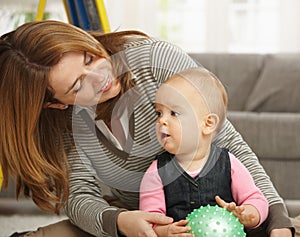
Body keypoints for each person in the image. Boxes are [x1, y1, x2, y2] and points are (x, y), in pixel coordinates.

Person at [0, 20, 294, 237]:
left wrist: (278, 218)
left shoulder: (154, 61)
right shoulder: (65, 124)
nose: (100, 75)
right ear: (56, 104)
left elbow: (231, 145)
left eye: (90, 57)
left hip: (223, 221)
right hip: (145, 225)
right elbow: (79, 196)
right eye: (78, 85)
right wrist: (120, 222)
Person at [139, 67, 269, 236]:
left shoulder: (229, 163)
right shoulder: (156, 172)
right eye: (159, 112)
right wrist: (164, 231)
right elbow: (151, 220)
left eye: (173, 113)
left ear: (207, 124)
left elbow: (257, 199)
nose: (162, 120)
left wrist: (248, 214)